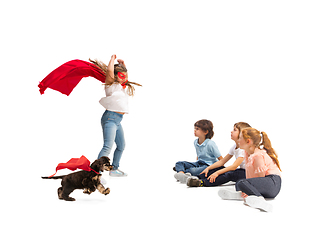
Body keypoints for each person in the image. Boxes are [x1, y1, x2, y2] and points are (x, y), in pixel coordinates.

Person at [90, 55, 141, 177]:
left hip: (118, 120)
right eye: (122, 76)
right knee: (107, 147)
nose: (125, 79)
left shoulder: (121, 86)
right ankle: (95, 174)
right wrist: (112, 60)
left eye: (126, 76)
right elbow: (109, 73)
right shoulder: (110, 85)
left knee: (121, 145)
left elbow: (124, 76)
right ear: (114, 76)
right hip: (110, 118)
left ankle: (114, 169)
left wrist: (123, 66)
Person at [218, 128, 282, 212]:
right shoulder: (247, 154)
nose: (238, 140)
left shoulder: (258, 155)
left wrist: (250, 186)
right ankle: (243, 194)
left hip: (273, 183)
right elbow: (250, 176)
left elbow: (260, 177)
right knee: (239, 183)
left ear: (248, 141)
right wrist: (248, 187)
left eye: (240, 138)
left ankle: (259, 199)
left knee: (242, 182)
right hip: (266, 185)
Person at [187, 122, 251, 187]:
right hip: (242, 171)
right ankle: (197, 177)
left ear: (241, 134)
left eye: (234, 130)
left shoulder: (243, 149)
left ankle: (202, 182)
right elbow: (222, 161)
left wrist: (217, 173)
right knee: (219, 168)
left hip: (247, 174)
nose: (231, 131)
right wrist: (208, 168)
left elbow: (234, 167)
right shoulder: (234, 147)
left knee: (229, 174)